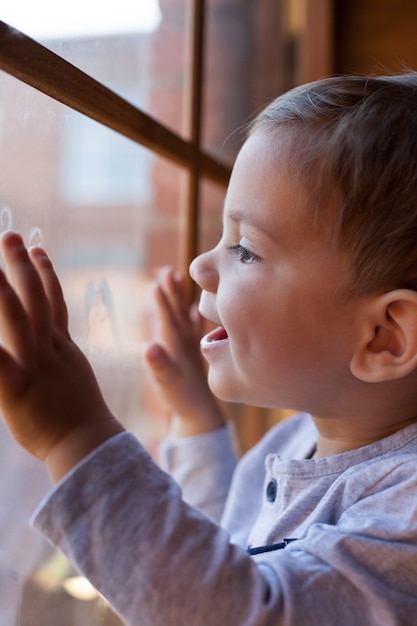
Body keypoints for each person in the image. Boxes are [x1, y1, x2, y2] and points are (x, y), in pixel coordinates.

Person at [1, 73, 417, 625]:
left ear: (384, 338)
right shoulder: (301, 438)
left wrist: (76, 440)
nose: (201, 265)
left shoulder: (404, 512)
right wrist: (197, 419)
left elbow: (243, 609)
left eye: (244, 249)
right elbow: (227, 551)